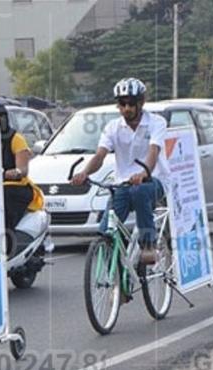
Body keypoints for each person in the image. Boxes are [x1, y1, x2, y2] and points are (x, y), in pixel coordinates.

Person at [70, 77, 169, 265]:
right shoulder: (113, 127)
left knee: (139, 191)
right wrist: (85, 173)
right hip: (123, 183)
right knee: (107, 229)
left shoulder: (157, 123)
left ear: (141, 103)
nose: (126, 108)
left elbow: (153, 152)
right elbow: (100, 156)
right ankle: (116, 282)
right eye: (122, 104)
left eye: (131, 103)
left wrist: (144, 173)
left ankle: (148, 244)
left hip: (153, 180)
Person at [0, 103, 44, 256]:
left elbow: (23, 169)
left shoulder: (16, 138)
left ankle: (7, 246)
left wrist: (16, 172)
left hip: (15, 188)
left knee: (4, 197)